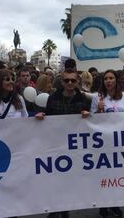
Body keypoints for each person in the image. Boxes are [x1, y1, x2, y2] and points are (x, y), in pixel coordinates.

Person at [36, 68, 90, 218]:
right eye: (67, 80)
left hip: (75, 146)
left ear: (78, 82)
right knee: (55, 179)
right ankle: (54, 208)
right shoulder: (53, 98)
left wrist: (87, 115)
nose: (70, 83)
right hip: (56, 144)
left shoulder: (83, 99)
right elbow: (48, 117)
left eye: (73, 80)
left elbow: (89, 122)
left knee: (69, 179)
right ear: (62, 81)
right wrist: (41, 116)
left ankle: (65, 208)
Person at [90, 70, 124, 218]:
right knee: (103, 176)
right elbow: (91, 121)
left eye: (111, 78)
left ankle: (114, 204)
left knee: (116, 175)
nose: (108, 81)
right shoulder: (97, 97)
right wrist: (98, 110)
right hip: (103, 143)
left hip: (118, 142)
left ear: (116, 80)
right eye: (106, 78)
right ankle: (103, 206)